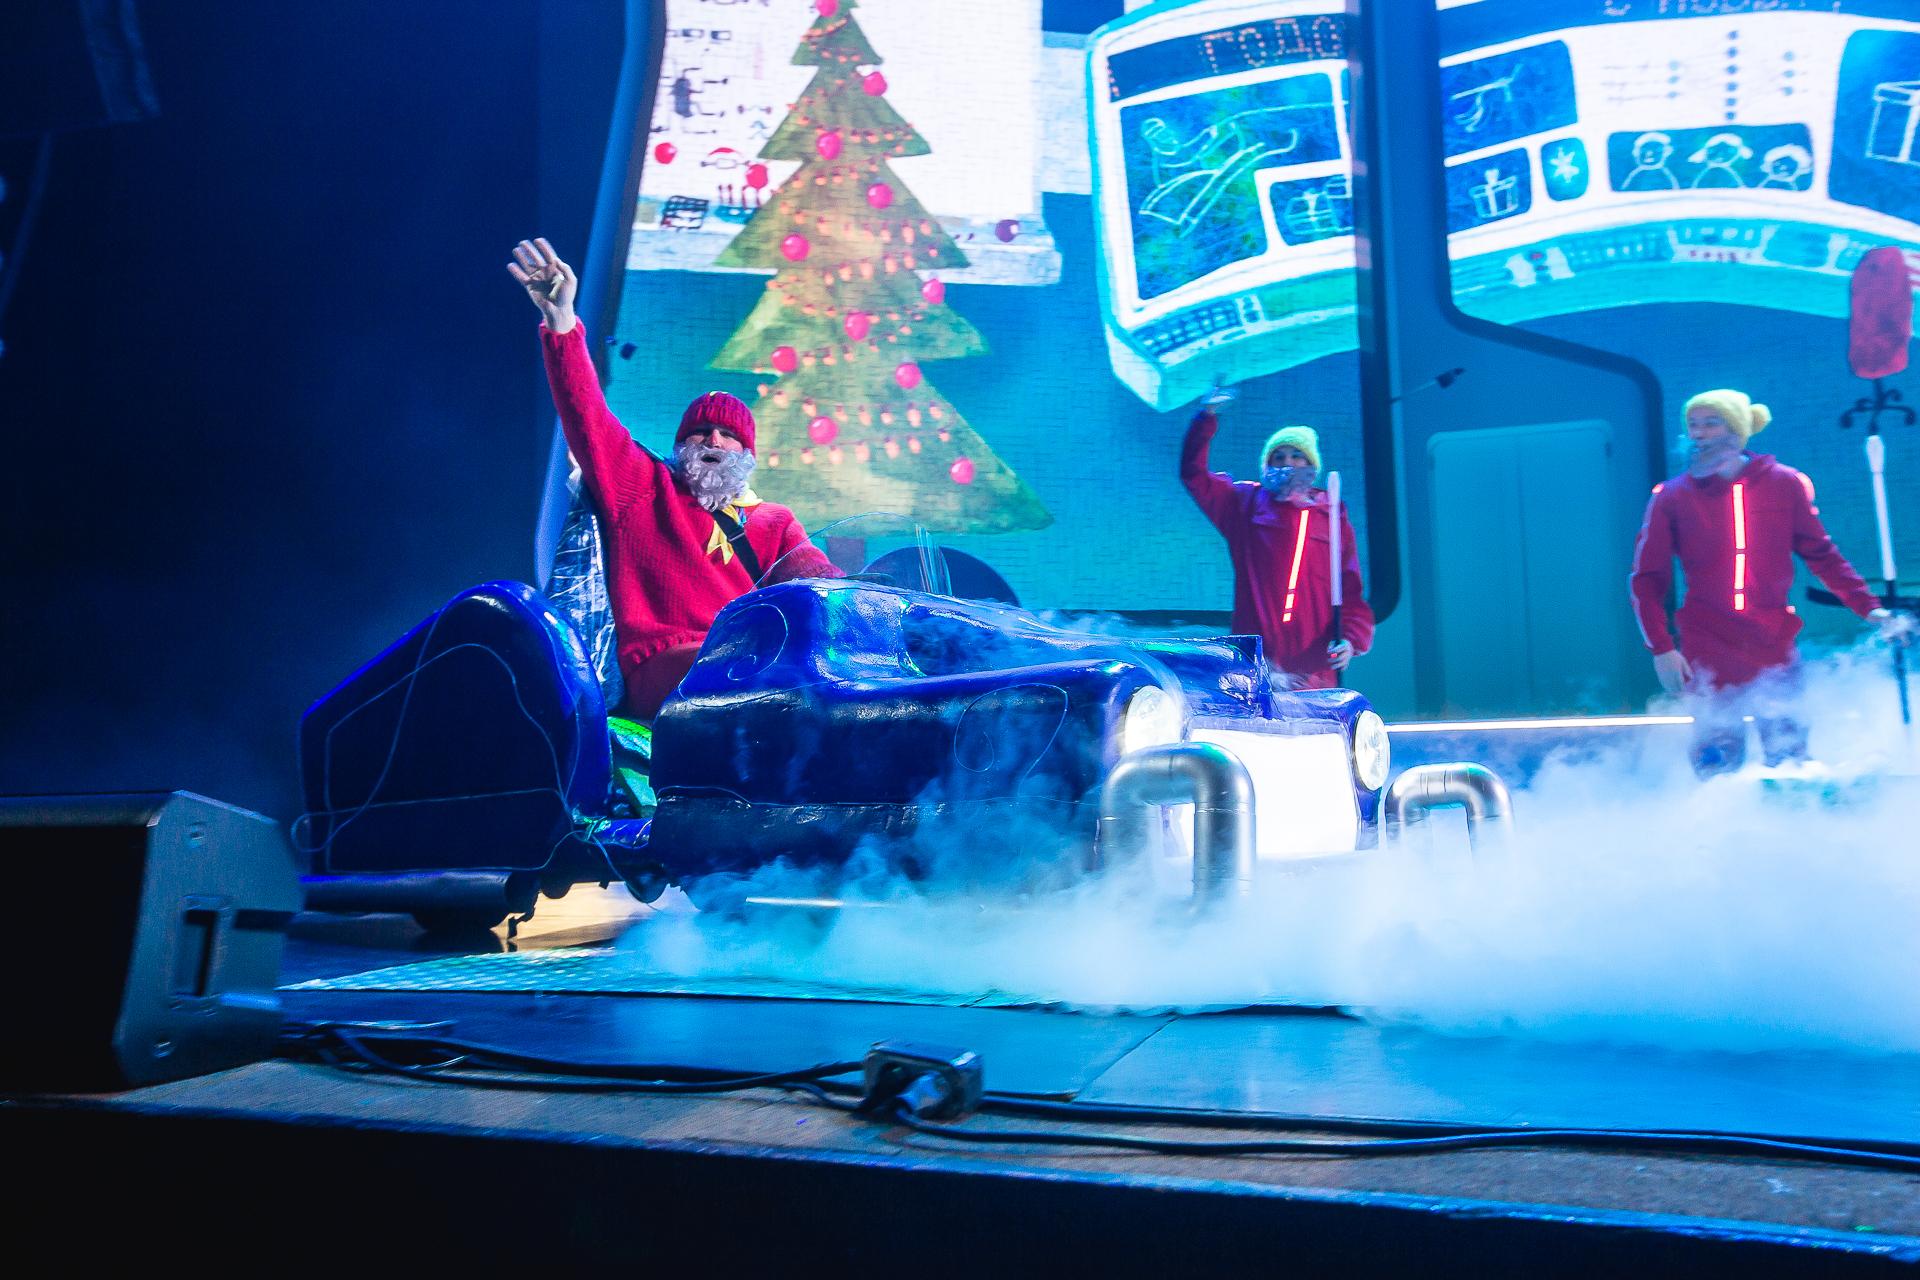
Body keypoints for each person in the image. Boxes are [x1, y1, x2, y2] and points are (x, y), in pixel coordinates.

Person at [509, 237, 836, 719]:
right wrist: (562, 323)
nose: (713, 440)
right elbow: (586, 415)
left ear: (747, 454)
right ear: (682, 446)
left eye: (729, 435)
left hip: (753, 660)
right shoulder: (640, 486)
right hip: (665, 665)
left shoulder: (775, 522)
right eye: (701, 432)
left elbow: (824, 586)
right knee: (755, 670)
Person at [1629, 388, 1898, 776]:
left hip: (1772, 638)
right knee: (1716, 755)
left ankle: (1789, 807)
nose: (1699, 434)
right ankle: (1718, 809)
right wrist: (1661, 647)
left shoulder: (1784, 484)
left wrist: (1868, 607)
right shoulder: (1672, 497)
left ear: (1736, 430)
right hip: (1707, 641)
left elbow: (1822, 554)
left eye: (1711, 423)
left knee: (1788, 750)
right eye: (1693, 425)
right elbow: (1647, 579)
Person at [1181, 407, 1374, 689]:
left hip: (1315, 669)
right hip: (1256, 662)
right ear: (1267, 464)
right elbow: (1194, 475)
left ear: (1311, 463)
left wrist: (1350, 639)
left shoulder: (1331, 513)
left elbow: (1349, 586)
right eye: (1279, 456)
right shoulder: (1244, 504)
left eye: (1297, 455)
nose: (1288, 463)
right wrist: (1206, 418)